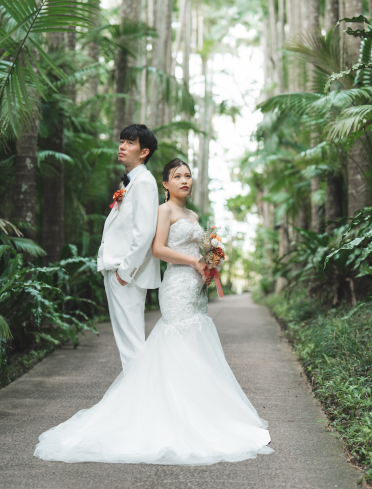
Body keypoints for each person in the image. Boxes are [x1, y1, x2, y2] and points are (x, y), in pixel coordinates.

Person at [33, 158, 272, 465]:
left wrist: (210, 264)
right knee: (177, 341)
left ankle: (197, 410)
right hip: (175, 285)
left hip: (195, 286)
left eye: (188, 175)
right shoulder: (164, 211)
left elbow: (200, 250)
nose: (184, 180)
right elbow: (158, 249)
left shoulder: (194, 214)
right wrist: (193, 262)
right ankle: (169, 415)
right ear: (165, 184)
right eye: (177, 176)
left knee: (196, 344)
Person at [95, 124, 161, 370]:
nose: (122, 147)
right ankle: (139, 400)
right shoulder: (130, 182)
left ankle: (142, 402)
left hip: (127, 275)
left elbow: (144, 233)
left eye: (130, 143)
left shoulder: (144, 182)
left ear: (144, 152)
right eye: (122, 141)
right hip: (118, 270)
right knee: (127, 345)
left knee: (131, 344)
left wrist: (124, 273)